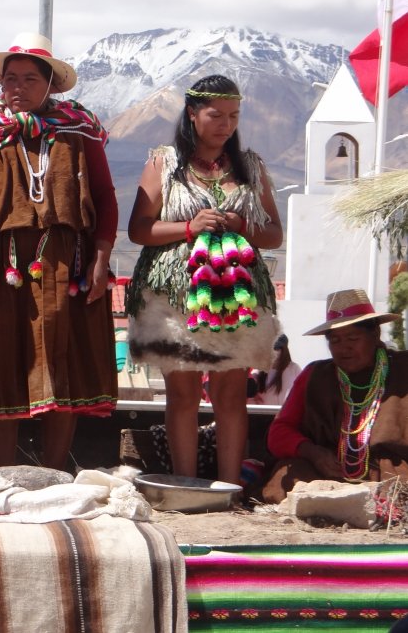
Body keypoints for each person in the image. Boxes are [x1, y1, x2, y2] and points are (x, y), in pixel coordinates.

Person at [0, 33, 118, 469]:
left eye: (28, 79)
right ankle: (3, 471)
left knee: (63, 365)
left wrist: (101, 261)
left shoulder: (80, 130)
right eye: (10, 80)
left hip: (67, 264)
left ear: (51, 85)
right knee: (1, 360)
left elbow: (105, 195)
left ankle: (54, 472)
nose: (17, 88)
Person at [125, 74, 283, 486]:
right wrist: (189, 227)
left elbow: (274, 235)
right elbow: (140, 229)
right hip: (174, 299)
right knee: (183, 395)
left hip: (235, 294)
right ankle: (186, 485)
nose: (225, 124)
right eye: (216, 114)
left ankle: (229, 488)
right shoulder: (164, 163)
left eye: (233, 115)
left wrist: (240, 225)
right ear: (193, 114)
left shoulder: (251, 167)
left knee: (232, 393)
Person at [262, 289, 408, 504]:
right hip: (327, 472)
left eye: (352, 338)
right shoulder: (315, 375)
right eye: (335, 340)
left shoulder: (403, 368)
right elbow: (279, 433)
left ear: (375, 334)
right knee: (290, 478)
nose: (344, 348)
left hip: (390, 474)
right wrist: (313, 453)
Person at [251, 334, 302, 405]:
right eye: (270, 348)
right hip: (264, 414)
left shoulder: (294, 368)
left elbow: (303, 394)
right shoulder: (258, 371)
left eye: (277, 348)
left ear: (284, 350)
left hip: (286, 414)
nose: (273, 352)